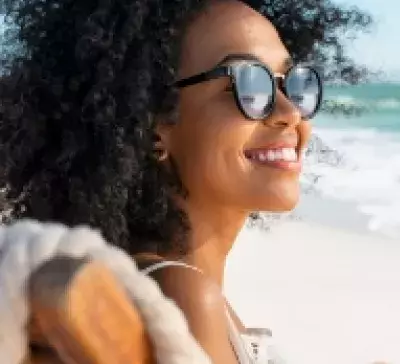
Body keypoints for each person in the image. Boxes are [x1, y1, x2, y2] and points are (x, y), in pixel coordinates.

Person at [0, 0, 371, 362]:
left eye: (292, 83)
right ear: (154, 126)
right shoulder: (186, 296)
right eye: (248, 85)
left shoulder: (169, 283)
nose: (289, 112)